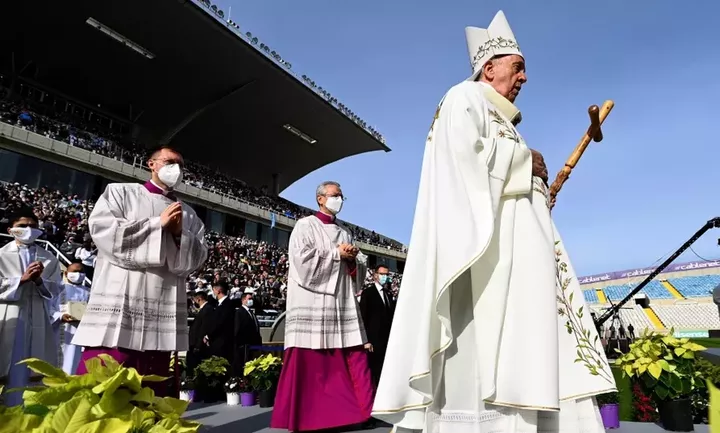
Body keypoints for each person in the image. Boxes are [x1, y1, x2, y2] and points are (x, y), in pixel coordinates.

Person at [371, 11, 615, 433]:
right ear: (489, 68)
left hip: (523, 263)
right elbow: (462, 161)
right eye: (517, 68)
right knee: (486, 365)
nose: (523, 78)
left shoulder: (505, 122)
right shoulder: (462, 99)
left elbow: (505, 186)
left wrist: (538, 196)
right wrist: (527, 162)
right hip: (485, 267)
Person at [72, 146, 208, 395]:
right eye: (169, 161)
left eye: (180, 164)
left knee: (152, 385)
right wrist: (159, 225)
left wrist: (180, 236)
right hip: (123, 301)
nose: (175, 169)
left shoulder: (189, 214)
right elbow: (105, 232)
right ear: (151, 164)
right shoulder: (121, 193)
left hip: (163, 303)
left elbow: (198, 257)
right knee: (106, 377)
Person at [271, 181, 374, 432]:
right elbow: (301, 261)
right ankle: (313, 417)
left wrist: (354, 260)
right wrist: (337, 254)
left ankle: (359, 413)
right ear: (320, 199)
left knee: (351, 353)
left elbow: (356, 272)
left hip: (340, 301)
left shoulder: (346, 231)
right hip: (314, 300)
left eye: (341, 195)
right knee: (314, 361)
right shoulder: (305, 225)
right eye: (334, 195)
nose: (339, 199)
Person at [0, 208, 63, 406]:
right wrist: (21, 280)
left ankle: (24, 410)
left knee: (31, 362)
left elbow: (57, 289)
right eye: (22, 226)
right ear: (11, 229)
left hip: (37, 316)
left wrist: (39, 282)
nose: (28, 229)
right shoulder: (1, 254)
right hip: (8, 313)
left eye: (33, 226)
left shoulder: (49, 258)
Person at [48, 262, 91, 375]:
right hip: (61, 331)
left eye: (81, 272)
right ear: (66, 273)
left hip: (81, 332)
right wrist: (60, 316)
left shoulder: (89, 292)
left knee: (76, 363)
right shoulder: (57, 289)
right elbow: (48, 308)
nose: (78, 274)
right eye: (75, 272)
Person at [359, 264, 396, 388]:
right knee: (375, 371)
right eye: (382, 274)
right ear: (375, 275)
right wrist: (366, 340)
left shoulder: (388, 294)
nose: (384, 277)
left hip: (387, 340)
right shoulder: (368, 293)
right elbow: (363, 317)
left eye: (386, 274)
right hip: (373, 341)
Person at [204, 281, 236, 365]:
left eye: (213, 290)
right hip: (219, 342)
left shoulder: (227, 305)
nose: (213, 293)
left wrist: (208, 336)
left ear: (218, 291)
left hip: (222, 343)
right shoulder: (220, 304)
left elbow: (219, 323)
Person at [233, 288, 262, 374]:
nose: (251, 300)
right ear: (243, 300)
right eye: (249, 299)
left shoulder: (251, 313)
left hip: (253, 345)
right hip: (244, 346)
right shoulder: (239, 312)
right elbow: (237, 329)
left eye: (252, 299)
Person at [187, 291, 211, 373]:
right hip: (195, 342)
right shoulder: (204, 309)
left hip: (198, 344)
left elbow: (204, 328)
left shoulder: (207, 309)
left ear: (199, 299)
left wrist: (198, 345)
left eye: (194, 300)